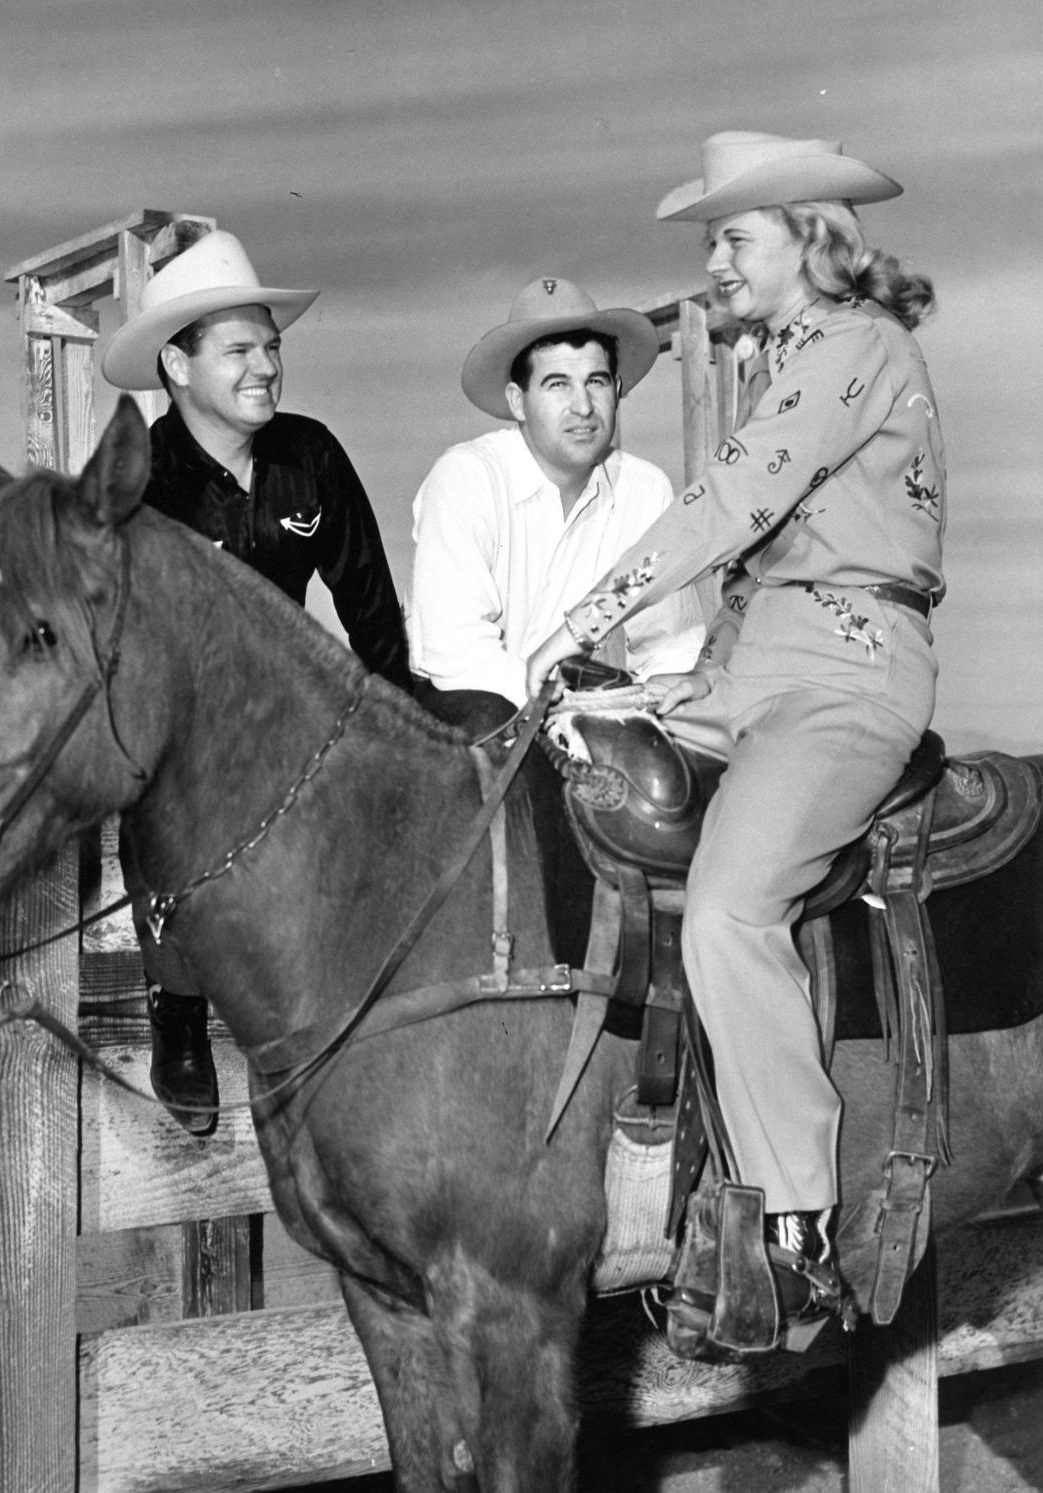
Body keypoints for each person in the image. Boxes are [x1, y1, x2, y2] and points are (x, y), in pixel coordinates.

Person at [527, 131, 945, 1330]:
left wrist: (588, 613)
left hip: (849, 675)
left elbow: (736, 499)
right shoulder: (792, 358)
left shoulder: (860, 346)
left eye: (733, 236)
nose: (714, 258)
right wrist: (640, 690)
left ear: (811, 241)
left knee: (728, 902)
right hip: (749, 667)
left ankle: (796, 1220)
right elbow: (755, 576)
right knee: (577, 770)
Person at [102, 229, 412, 1133]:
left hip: (296, 708)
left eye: (272, 345)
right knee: (160, 797)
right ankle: (179, 1011)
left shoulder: (308, 456)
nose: (267, 367)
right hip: (182, 722)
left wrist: (395, 722)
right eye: (240, 350)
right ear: (177, 365)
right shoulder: (143, 481)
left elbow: (371, 608)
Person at [410, 277, 705, 735]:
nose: (583, 406)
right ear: (518, 402)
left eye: (596, 381)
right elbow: (453, 650)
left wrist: (660, 699)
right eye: (557, 384)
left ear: (618, 388)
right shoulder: (467, 476)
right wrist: (567, 712)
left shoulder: (644, 489)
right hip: (462, 713)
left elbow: (671, 642)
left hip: (573, 711)